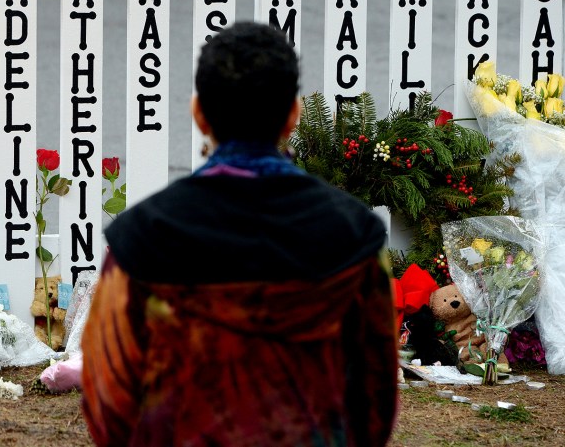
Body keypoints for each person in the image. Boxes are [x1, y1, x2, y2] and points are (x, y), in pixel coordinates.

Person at [81, 22, 397, 447]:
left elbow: (108, 404)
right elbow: (374, 403)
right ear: (293, 114)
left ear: (198, 113)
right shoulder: (355, 240)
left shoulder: (142, 240)